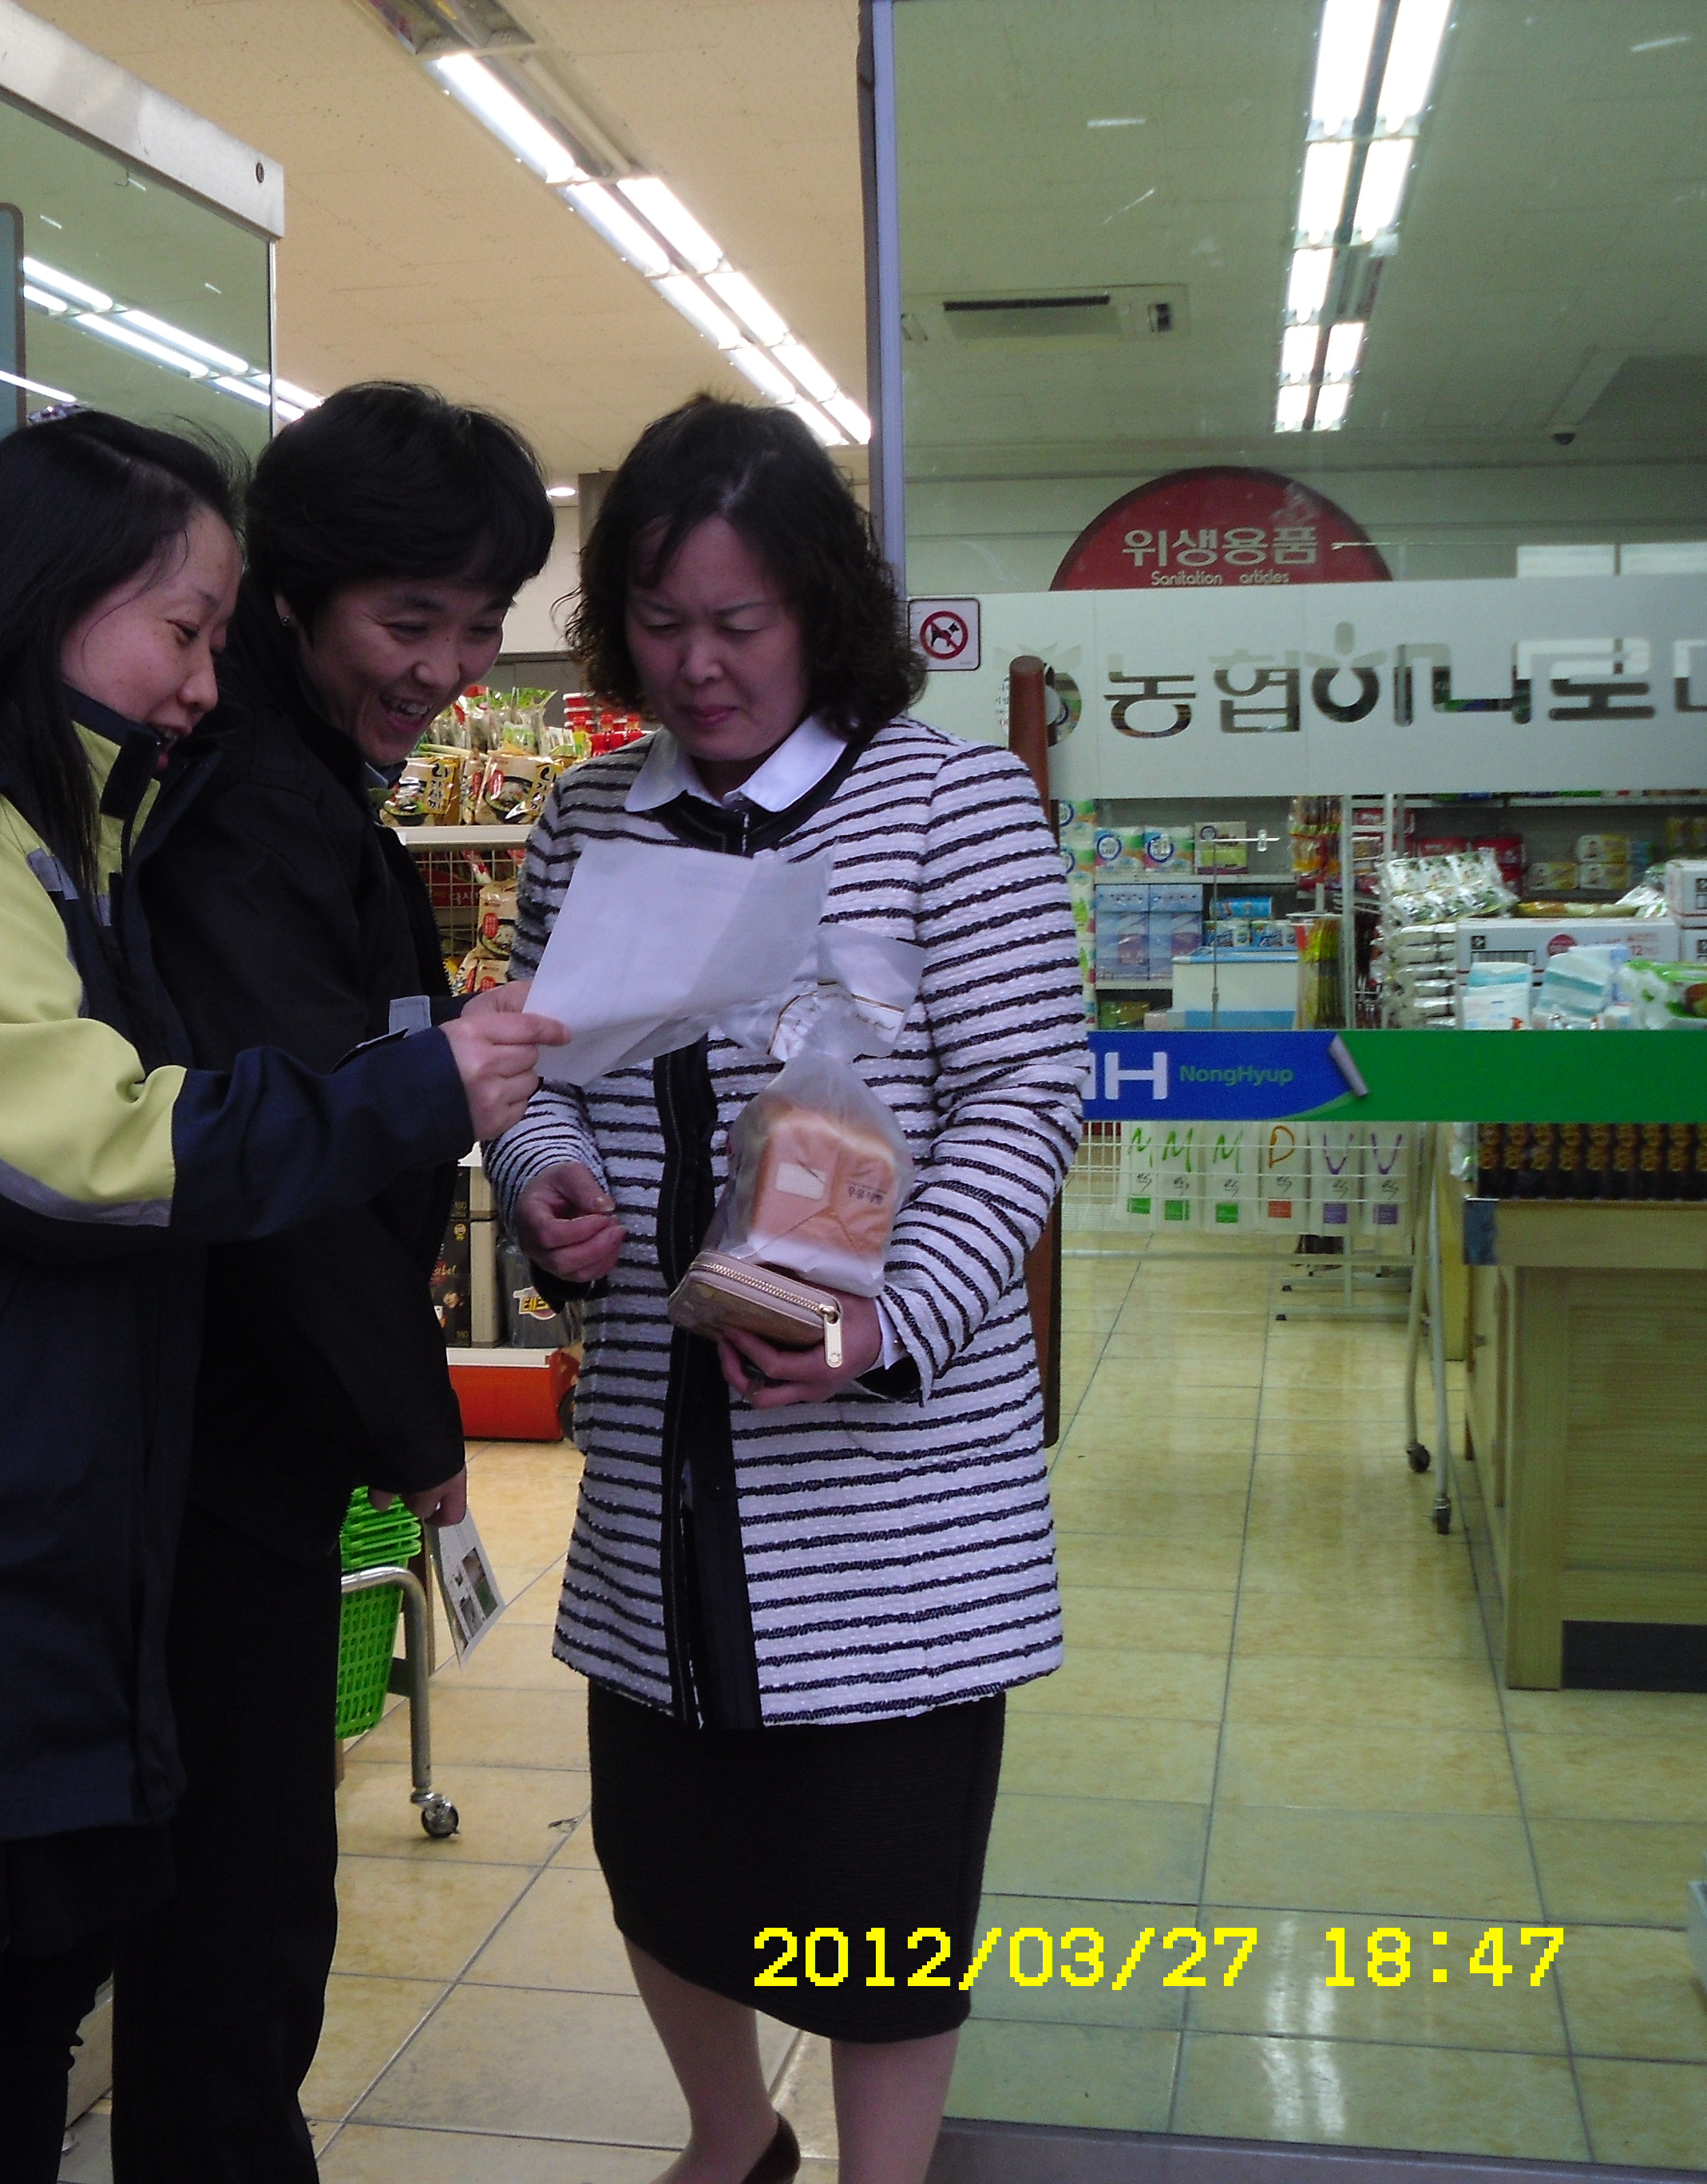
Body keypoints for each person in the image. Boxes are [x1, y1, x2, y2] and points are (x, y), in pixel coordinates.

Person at [0, 410, 564, 2184]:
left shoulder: (55, 845)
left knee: (5, 2086)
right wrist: (417, 1087)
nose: (208, 687)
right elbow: (86, 1148)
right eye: (185, 631)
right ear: (43, 599)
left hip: (10, 1610)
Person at [490, 397, 1086, 2184]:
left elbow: (1028, 1092)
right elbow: (530, 1071)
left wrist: (888, 1322)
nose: (698, 665)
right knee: (664, 1850)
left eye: (738, 623)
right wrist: (543, 1180)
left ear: (821, 609)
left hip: (888, 1482)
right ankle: (732, 2138)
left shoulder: (948, 803)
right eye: (661, 622)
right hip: (664, 1460)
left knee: (883, 1885)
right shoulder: (590, 817)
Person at [117, 384, 556, 2182]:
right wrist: (414, 1423)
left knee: (242, 1895)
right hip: (217, 1437)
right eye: (410, 620)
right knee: (237, 1911)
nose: (447, 669)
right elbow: (274, 1170)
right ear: (289, 596)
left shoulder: (312, 792)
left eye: (482, 624)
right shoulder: (247, 812)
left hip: (249, 1429)